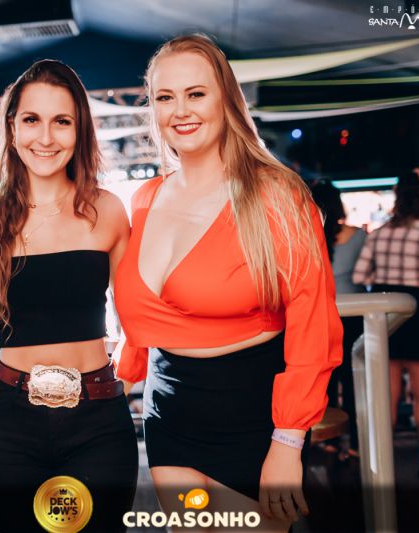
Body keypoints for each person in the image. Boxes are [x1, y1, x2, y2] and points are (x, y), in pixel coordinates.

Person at [112, 35, 342, 529]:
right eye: (165, 97)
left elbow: (314, 323)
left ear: (226, 100)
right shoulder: (145, 198)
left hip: (252, 416)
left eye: (196, 93)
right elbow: (142, 320)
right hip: (168, 411)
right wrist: (117, 381)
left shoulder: (276, 195)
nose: (180, 110)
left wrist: (288, 442)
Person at [0, 59, 137, 532]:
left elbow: (139, 318)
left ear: (80, 131)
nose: (45, 137)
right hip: (6, 425)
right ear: (12, 128)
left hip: (98, 421)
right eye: (31, 120)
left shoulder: (107, 210)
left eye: (62, 121)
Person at [353, 171, 419, 495]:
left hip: (387, 315)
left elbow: (359, 276)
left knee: (386, 397)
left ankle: (382, 472)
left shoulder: (380, 234)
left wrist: (385, 282)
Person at [310, 180, 365, 459]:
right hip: (354, 315)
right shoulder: (358, 236)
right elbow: (366, 275)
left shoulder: (307, 235)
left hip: (320, 315)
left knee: (326, 379)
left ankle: (329, 441)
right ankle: (356, 442)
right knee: (355, 380)